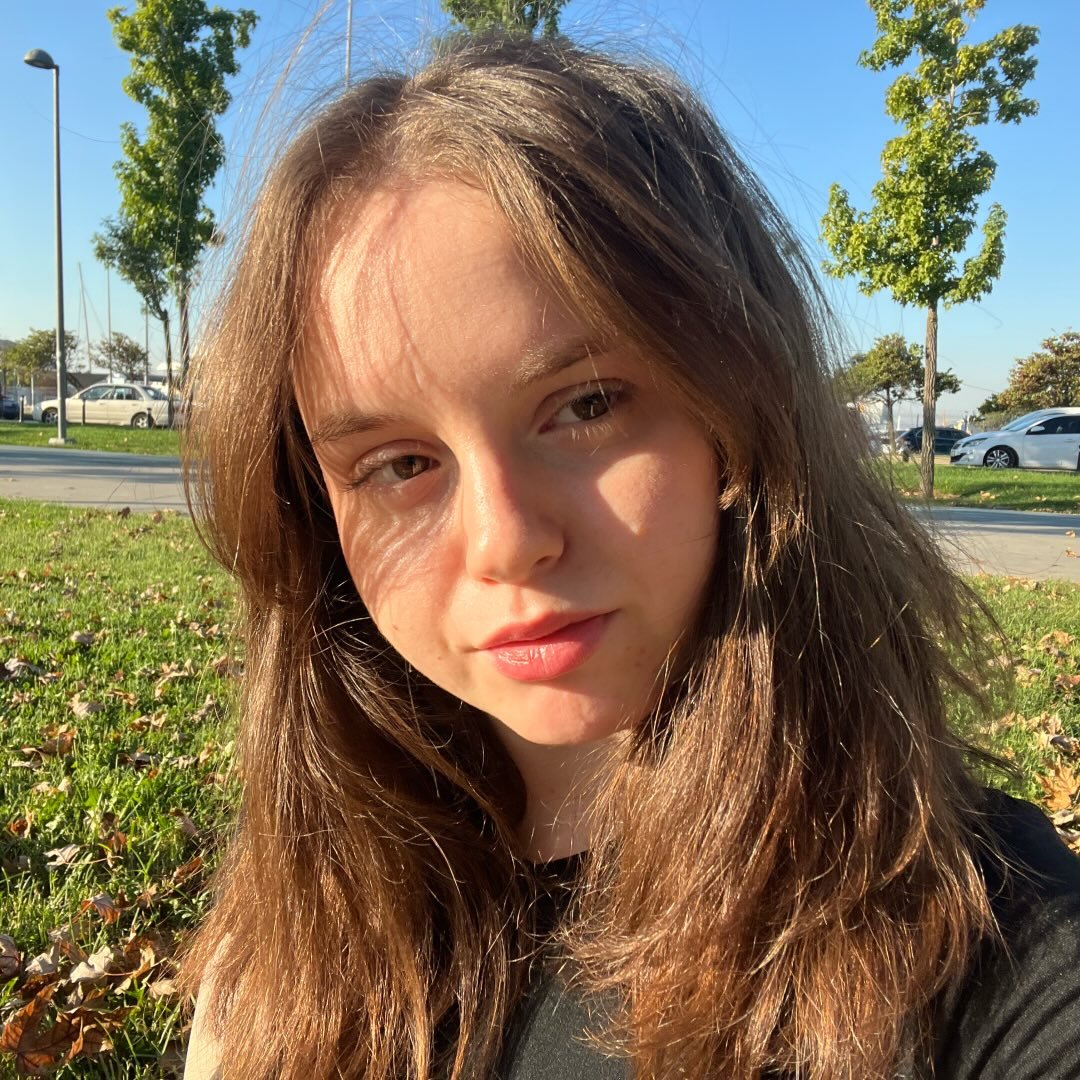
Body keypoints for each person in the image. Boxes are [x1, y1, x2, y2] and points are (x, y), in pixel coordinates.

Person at [180, 32, 1080, 1080]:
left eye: (587, 405)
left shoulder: (987, 947)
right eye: (399, 464)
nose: (507, 541)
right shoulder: (297, 930)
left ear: (739, 405)